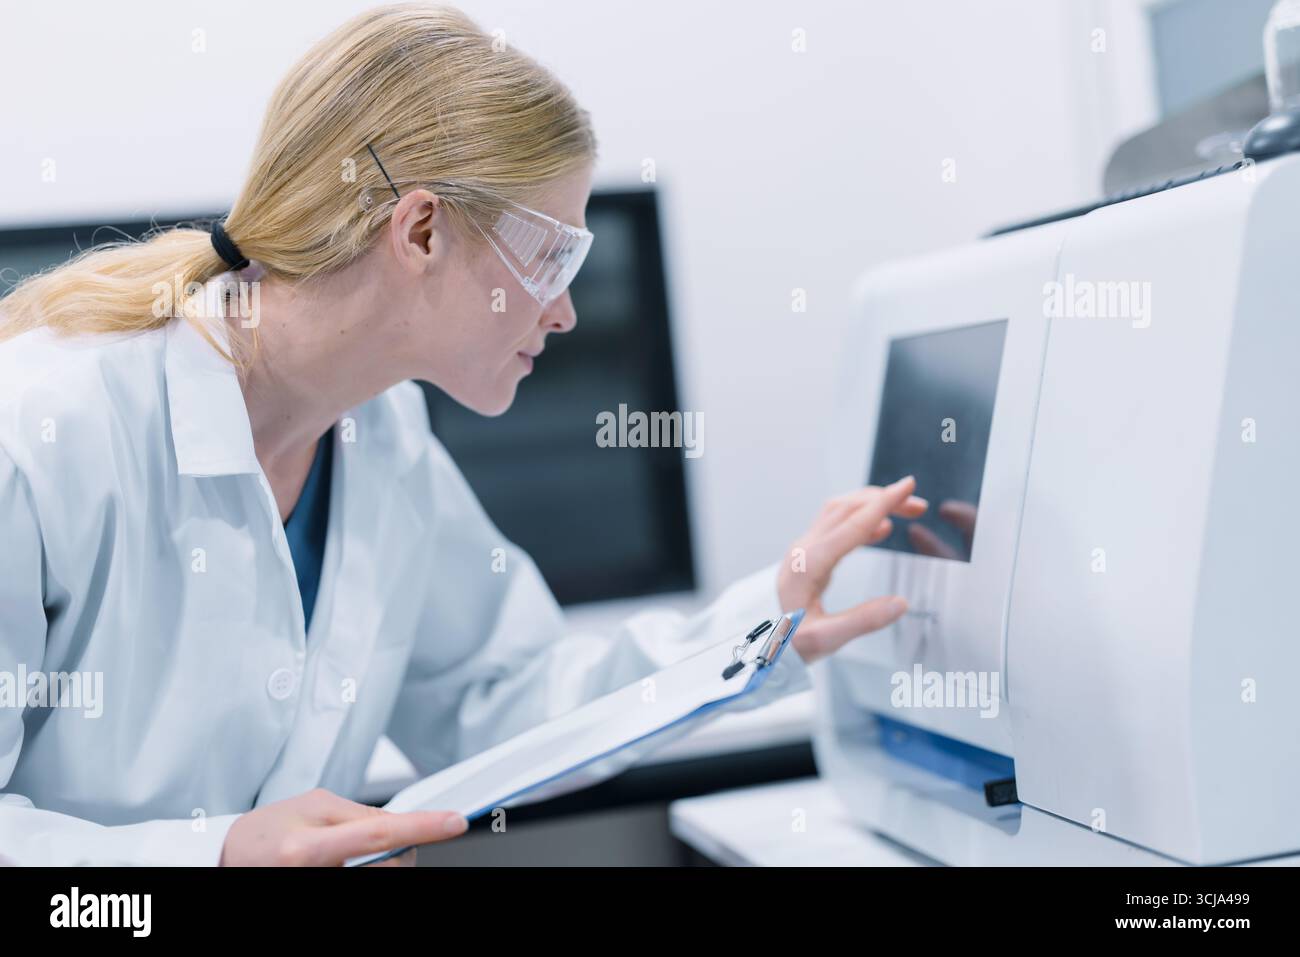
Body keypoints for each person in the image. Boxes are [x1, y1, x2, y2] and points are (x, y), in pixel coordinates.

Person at [0, 3, 925, 866]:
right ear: (425, 230)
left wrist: (764, 626)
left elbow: (502, 701)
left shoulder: (382, 434)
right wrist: (214, 851)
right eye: (555, 254)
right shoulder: (44, 431)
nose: (564, 312)